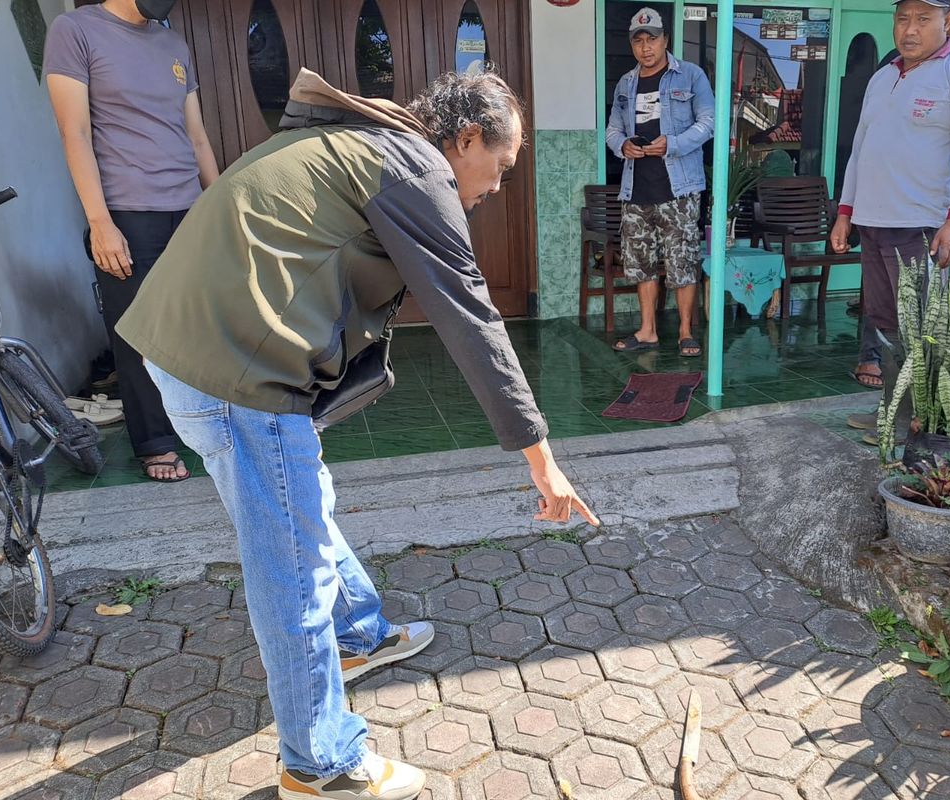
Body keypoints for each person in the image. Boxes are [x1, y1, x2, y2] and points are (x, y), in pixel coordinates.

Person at [116, 68, 599, 800]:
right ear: (466, 138)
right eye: (500, 167)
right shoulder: (415, 167)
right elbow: (471, 317)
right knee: (292, 566)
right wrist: (543, 460)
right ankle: (319, 764)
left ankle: (357, 636)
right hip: (235, 372)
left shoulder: (361, 140)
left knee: (301, 508)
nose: (498, 187)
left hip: (190, 350)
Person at [43, 0, 219, 482]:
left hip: (188, 209)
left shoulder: (172, 42)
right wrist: (100, 222)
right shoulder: (75, 31)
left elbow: (196, 137)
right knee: (139, 334)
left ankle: (204, 425)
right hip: (127, 213)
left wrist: (217, 207)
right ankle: (155, 442)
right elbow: (75, 132)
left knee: (196, 328)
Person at [831, 0, 950, 440]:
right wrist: (845, 212)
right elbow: (859, 150)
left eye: (923, 19)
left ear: (947, 21)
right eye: (903, 19)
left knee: (919, 326)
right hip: (872, 221)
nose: (910, 30)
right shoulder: (883, 77)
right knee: (884, 322)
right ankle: (891, 411)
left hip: (920, 225)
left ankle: (913, 421)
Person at [606, 7, 715, 358]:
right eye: (638, 41)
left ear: (665, 39)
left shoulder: (691, 76)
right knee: (642, 263)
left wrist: (674, 144)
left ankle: (685, 332)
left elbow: (708, 122)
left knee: (683, 261)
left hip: (678, 188)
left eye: (651, 39)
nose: (645, 47)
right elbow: (612, 129)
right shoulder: (626, 83)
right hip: (636, 189)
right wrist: (622, 145)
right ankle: (648, 331)